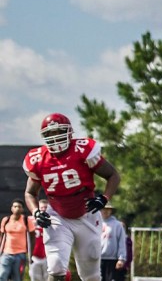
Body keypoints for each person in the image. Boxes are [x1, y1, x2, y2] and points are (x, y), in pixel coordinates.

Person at [23, 112, 121, 281]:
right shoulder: (39, 159)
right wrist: (36, 212)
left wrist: (104, 198)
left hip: (87, 214)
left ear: (69, 132)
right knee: (55, 267)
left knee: (90, 275)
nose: (55, 138)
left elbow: (113, 175)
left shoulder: (82, 150)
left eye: (59, 132)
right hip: (57, 216)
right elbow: (30, 193)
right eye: (50, 134)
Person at [0, 199, 35, 281]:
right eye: (15, 206)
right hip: (6, 253)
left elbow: (32, 237)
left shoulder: (26, 220)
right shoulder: (6, 220)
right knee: (2, 275)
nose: (17, 208)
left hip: (20, 254)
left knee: (17, 278)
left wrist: (30, 254)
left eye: (19, 207)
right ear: (12, 208)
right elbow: (1, 236)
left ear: (22, 209)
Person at [100, 203, 127, 281]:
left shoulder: (117, 225)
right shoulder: (96, 223)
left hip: (112, 260)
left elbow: (121, 242)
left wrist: (121, 259)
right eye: (103, 209)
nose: (105, 211)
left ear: (111, 211)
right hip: (97, 259)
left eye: (108, 209)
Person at [29, 199, 49, 281]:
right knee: (35, 278)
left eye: (45, 207)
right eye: (42, 207)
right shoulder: (30, 220)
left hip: (47, 255)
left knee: (48, 278)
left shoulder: (52, 220)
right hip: (34, 255)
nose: (43, 209)